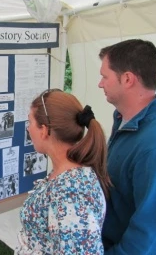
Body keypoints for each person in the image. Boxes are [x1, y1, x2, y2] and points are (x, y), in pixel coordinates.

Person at [15, 89, 111, 254]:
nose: (28, 129)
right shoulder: (65, 176)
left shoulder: (72, 193)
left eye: (30, 122)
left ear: (44, 130)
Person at [98, 39, 156, 254]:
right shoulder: (124, 119)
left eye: (105, 76)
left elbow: (153, 232)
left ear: (127, 79)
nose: (100, 84)